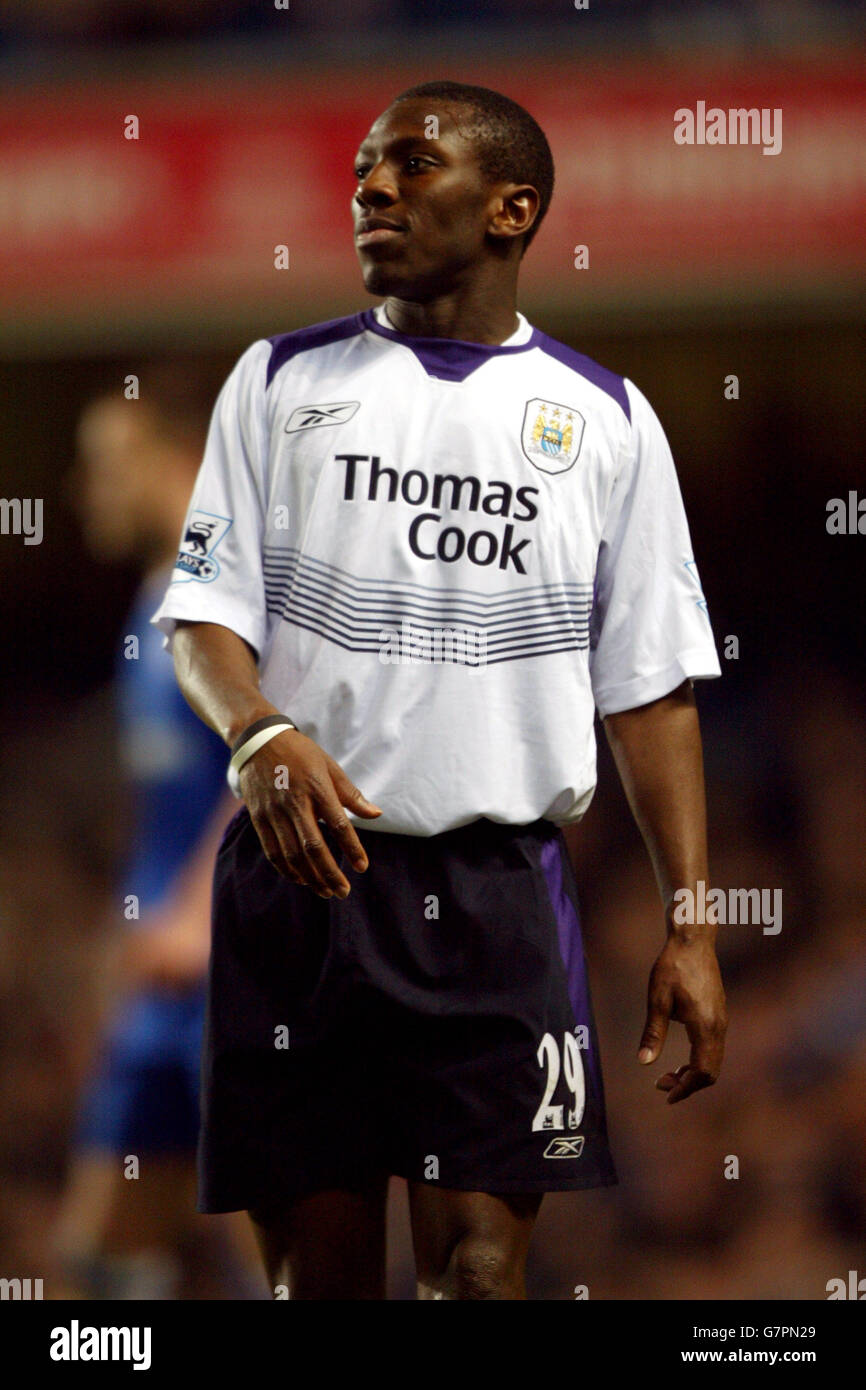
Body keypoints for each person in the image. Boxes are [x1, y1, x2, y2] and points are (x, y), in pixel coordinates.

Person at [153, 80, 727, 1301]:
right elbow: (200, 621)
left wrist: (690, 917)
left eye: (411, 166)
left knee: (478, 1273)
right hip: (302, 880)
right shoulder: (278, 381)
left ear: (510, 207)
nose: (368, 188)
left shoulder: (604, 421)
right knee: (323, 1278)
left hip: (494, 900)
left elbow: (649, 691)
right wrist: (256, 732)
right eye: (364, 167)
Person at [53, 382, 256, 1299]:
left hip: (241, 967)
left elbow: (279, 756)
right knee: (101, 1259)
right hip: (160, 980)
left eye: (107, 461)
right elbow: (173, 801)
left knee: (278, 1253)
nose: (83, 486)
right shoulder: (151, 602)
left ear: (178, 459)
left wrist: (199, 920)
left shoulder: (238, 589)